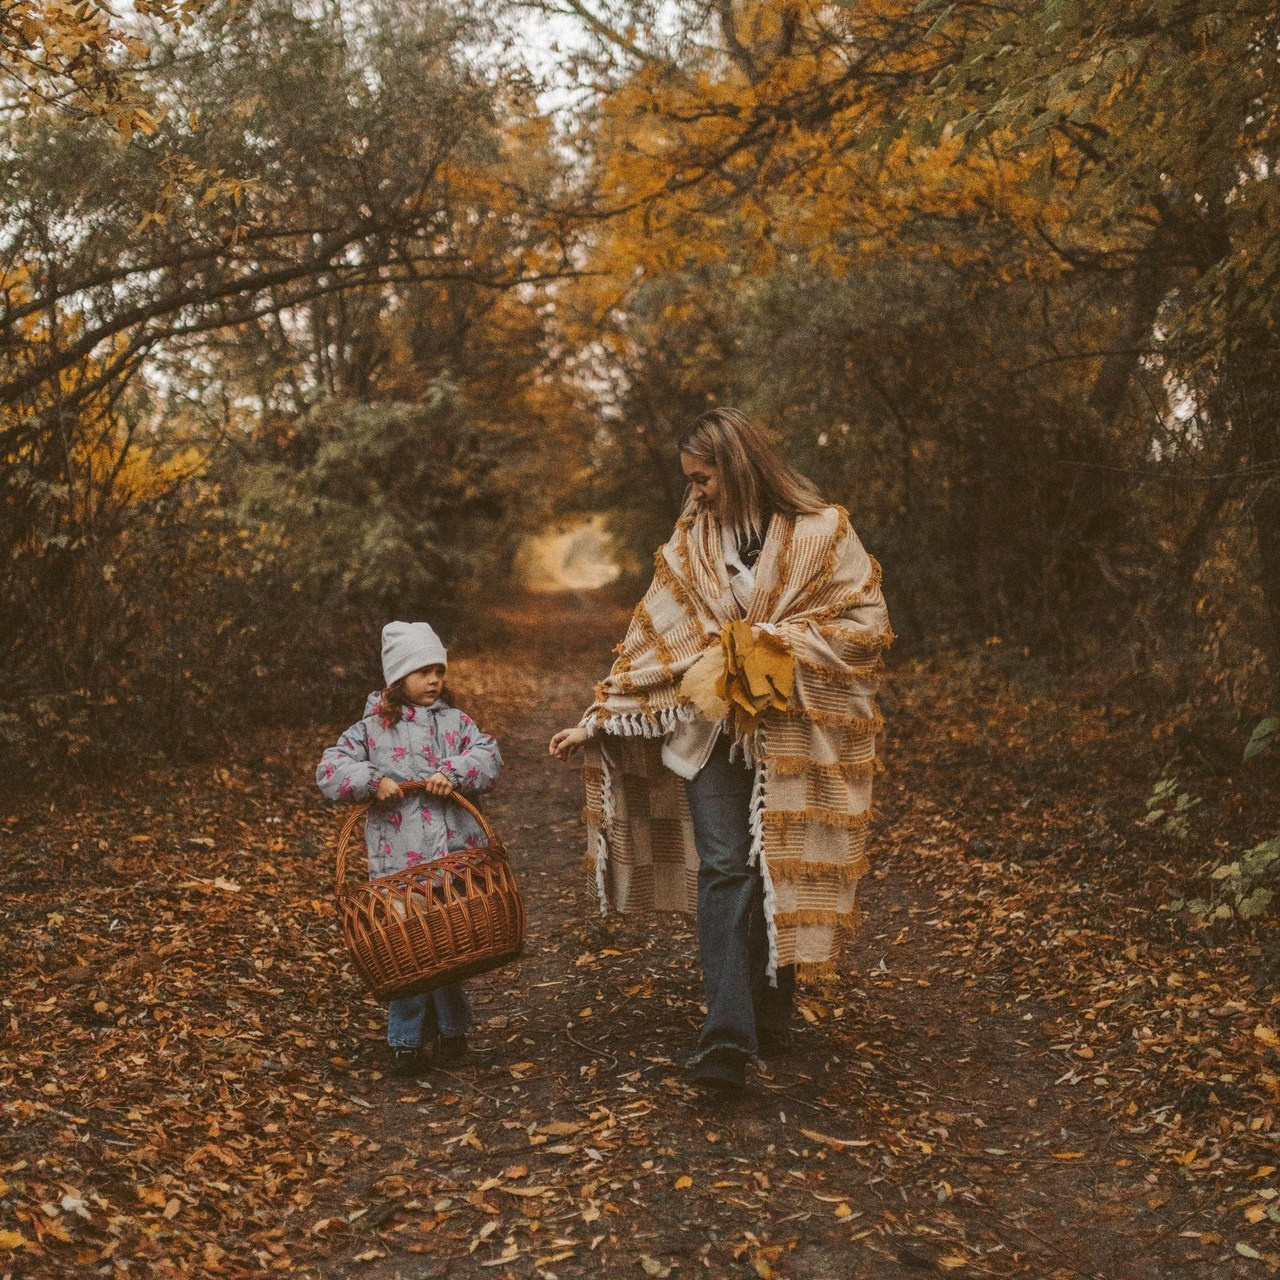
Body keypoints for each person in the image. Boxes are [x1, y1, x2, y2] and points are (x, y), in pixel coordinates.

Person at [550, 408, 891, 1094]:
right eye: (690, 481)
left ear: (737, 465)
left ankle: (770, 1006)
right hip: (707, 732)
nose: (696, 492)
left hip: (790, 729)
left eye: (703, 478)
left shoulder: (825, 533)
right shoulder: (688, 546)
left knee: (775, 865)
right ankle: (727, 1039)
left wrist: (776, 644)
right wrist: (602, 714)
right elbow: (656, 639)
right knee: (725, 866)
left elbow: (866, 622)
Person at [318, 620, 502, 1077]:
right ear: (398, 678)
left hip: (453, 856)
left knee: (449, 943)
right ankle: (404, 1038)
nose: (435, 679)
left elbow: (489, 757)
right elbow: (330, 767)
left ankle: (453, 1029)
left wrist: (456, 771)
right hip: (399, 862)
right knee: (407, 950)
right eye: (422, 671)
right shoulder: (371, 730)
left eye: (438, 669)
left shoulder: (456, 724)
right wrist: (371, 780)